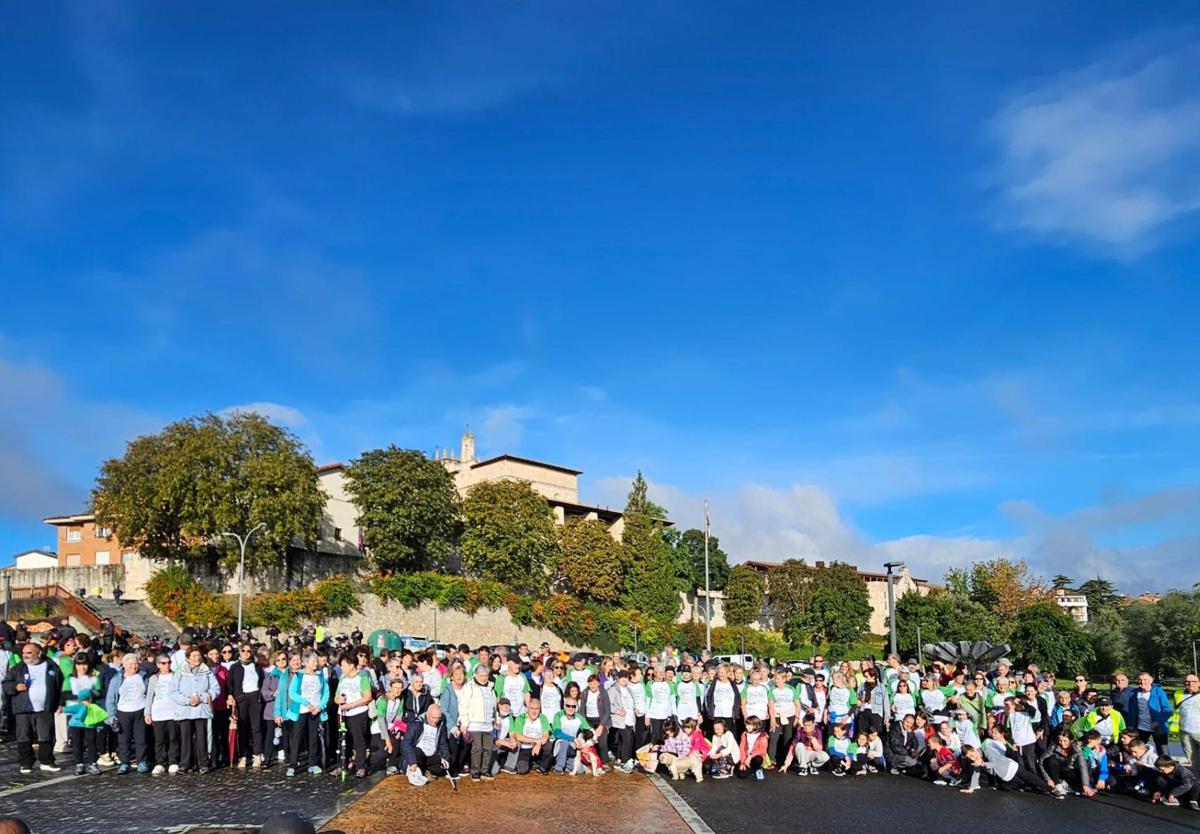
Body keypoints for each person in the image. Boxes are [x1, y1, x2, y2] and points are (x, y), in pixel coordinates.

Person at [2, 641, 64, 774]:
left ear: (39, 653)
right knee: (24, 736)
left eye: (29, 653)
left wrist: (59, 702)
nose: (25, 656)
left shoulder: (51, 666)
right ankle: (26, 763)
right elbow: (6, 683)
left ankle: (46, 761)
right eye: (24, 653)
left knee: (46, 735)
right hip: (23, 708)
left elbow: (60, 685)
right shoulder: (18, 668)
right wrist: (15, 687)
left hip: (45, 708)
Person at [170, 646, 219, 774]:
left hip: (201, 710)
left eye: (198, 656)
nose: (197, 658)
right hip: (185, 710)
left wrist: (202, 697)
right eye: (193, 656)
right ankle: (185, 764)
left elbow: (215, 689)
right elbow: (173, 691)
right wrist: (187, 700)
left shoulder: (207, 671)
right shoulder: (180, 672)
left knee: (202, 737)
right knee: (186, 738)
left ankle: (203, 763)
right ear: (188, 658)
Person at [105, 652, 150, 774]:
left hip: (140, 710)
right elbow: (110, 698)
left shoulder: (144, 676)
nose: (133, 666)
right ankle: (124, 762)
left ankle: (142, 761)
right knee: (123, 739)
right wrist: (111, 715)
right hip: (123, 711)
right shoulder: (117, 679)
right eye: (130, 664)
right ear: (124, 665)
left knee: (141, 738)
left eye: (135, 664)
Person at [286, 652, 328, 777]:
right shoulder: (298, 676)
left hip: (315, 711)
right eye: (313, 661)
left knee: (313, 737)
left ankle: (313, 763)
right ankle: (292, 764)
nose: (315, 663)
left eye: (316, 661)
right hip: (302, 711)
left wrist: (320, 706)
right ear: (305, 663)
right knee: (297, 738)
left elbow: (326, 693)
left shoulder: (320, 676)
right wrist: (306, 703)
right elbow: (292, 693)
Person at [457, 662, 498, 782]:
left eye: (485, 675)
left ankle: (485, 770)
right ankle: (475, 771)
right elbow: (463, 706)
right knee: (477, 748)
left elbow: (493, 706)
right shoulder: (469, 687)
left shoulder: (490, 688)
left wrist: (495, 719)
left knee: (488, 748)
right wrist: (464, 723)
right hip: (474, 723)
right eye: (481, 675)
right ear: (475, 675)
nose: (483, 678)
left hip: (487, 724)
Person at [228, 643, 265, 769]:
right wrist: (231, 695)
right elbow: (230, 684)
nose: (246, 653)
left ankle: (257, 754)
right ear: (239, 651)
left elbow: (261, 681)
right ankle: (242, 755)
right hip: (241, 698)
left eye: (248, 651)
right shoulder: (234, 667)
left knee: (256, 727)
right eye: (243, 650)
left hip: (255, 697)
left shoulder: (257, 666)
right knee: (242, 727)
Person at [144, 652, 180, 774]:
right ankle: (160, 762)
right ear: (158, 664)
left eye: (169, 662)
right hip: (158, 712)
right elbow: (149, 696)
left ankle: (173, 761)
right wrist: (147, 712)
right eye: (164, 663)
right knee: (159, 739)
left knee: (173, 738)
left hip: (173, 712)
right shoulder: (154, 678)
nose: (167, 665)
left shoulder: (176, 675)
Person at [401, 702, 451, 782]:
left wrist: (445, 758)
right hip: (418, 754)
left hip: (431, 755)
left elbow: (443, 744)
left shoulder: (440, 725)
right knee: (417, 752)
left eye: (438, 718)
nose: (435, 721)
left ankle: (426, 770)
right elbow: (406, 743)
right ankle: (415, 769)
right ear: (427, 714)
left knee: (442, 766)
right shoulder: (416, 723)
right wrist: (412, 761)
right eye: (433, 718)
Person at [1130, 672, 1173, 754]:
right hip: (1141, 727)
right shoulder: (1134, 693)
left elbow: (1167, 710)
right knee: (1137, 750)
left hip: (1158, 727)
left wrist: (1157, 721)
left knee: (1163, 752)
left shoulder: (1158, 692)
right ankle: (1142, 766)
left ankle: (1166, 766)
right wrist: (1132, 726)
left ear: (1151, 680)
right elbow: (1131, 712)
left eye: (1145, 680)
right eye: (1140, 680)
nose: (1142, 682)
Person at [511, 697, 554, 774]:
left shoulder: (542, 718)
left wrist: (538, 744)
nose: (534, 711)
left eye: (537, 709)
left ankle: (542, 766)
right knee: (522, 770)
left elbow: (546, 735)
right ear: (527, 708)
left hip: (539, 748)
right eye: (532, 708)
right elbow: (519, 736)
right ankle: (530, 762)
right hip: (525, 748)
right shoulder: (521, 718)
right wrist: (536, 741)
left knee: (549, 745)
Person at [1170, 673, 1199, 780]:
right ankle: (1196, 781)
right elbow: (1177, 711)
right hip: (1185, 732)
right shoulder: (1178, 694)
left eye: (1193, 681)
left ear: (1198, 683)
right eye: (1187, 681)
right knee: (1192, 759)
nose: (1190, 684)